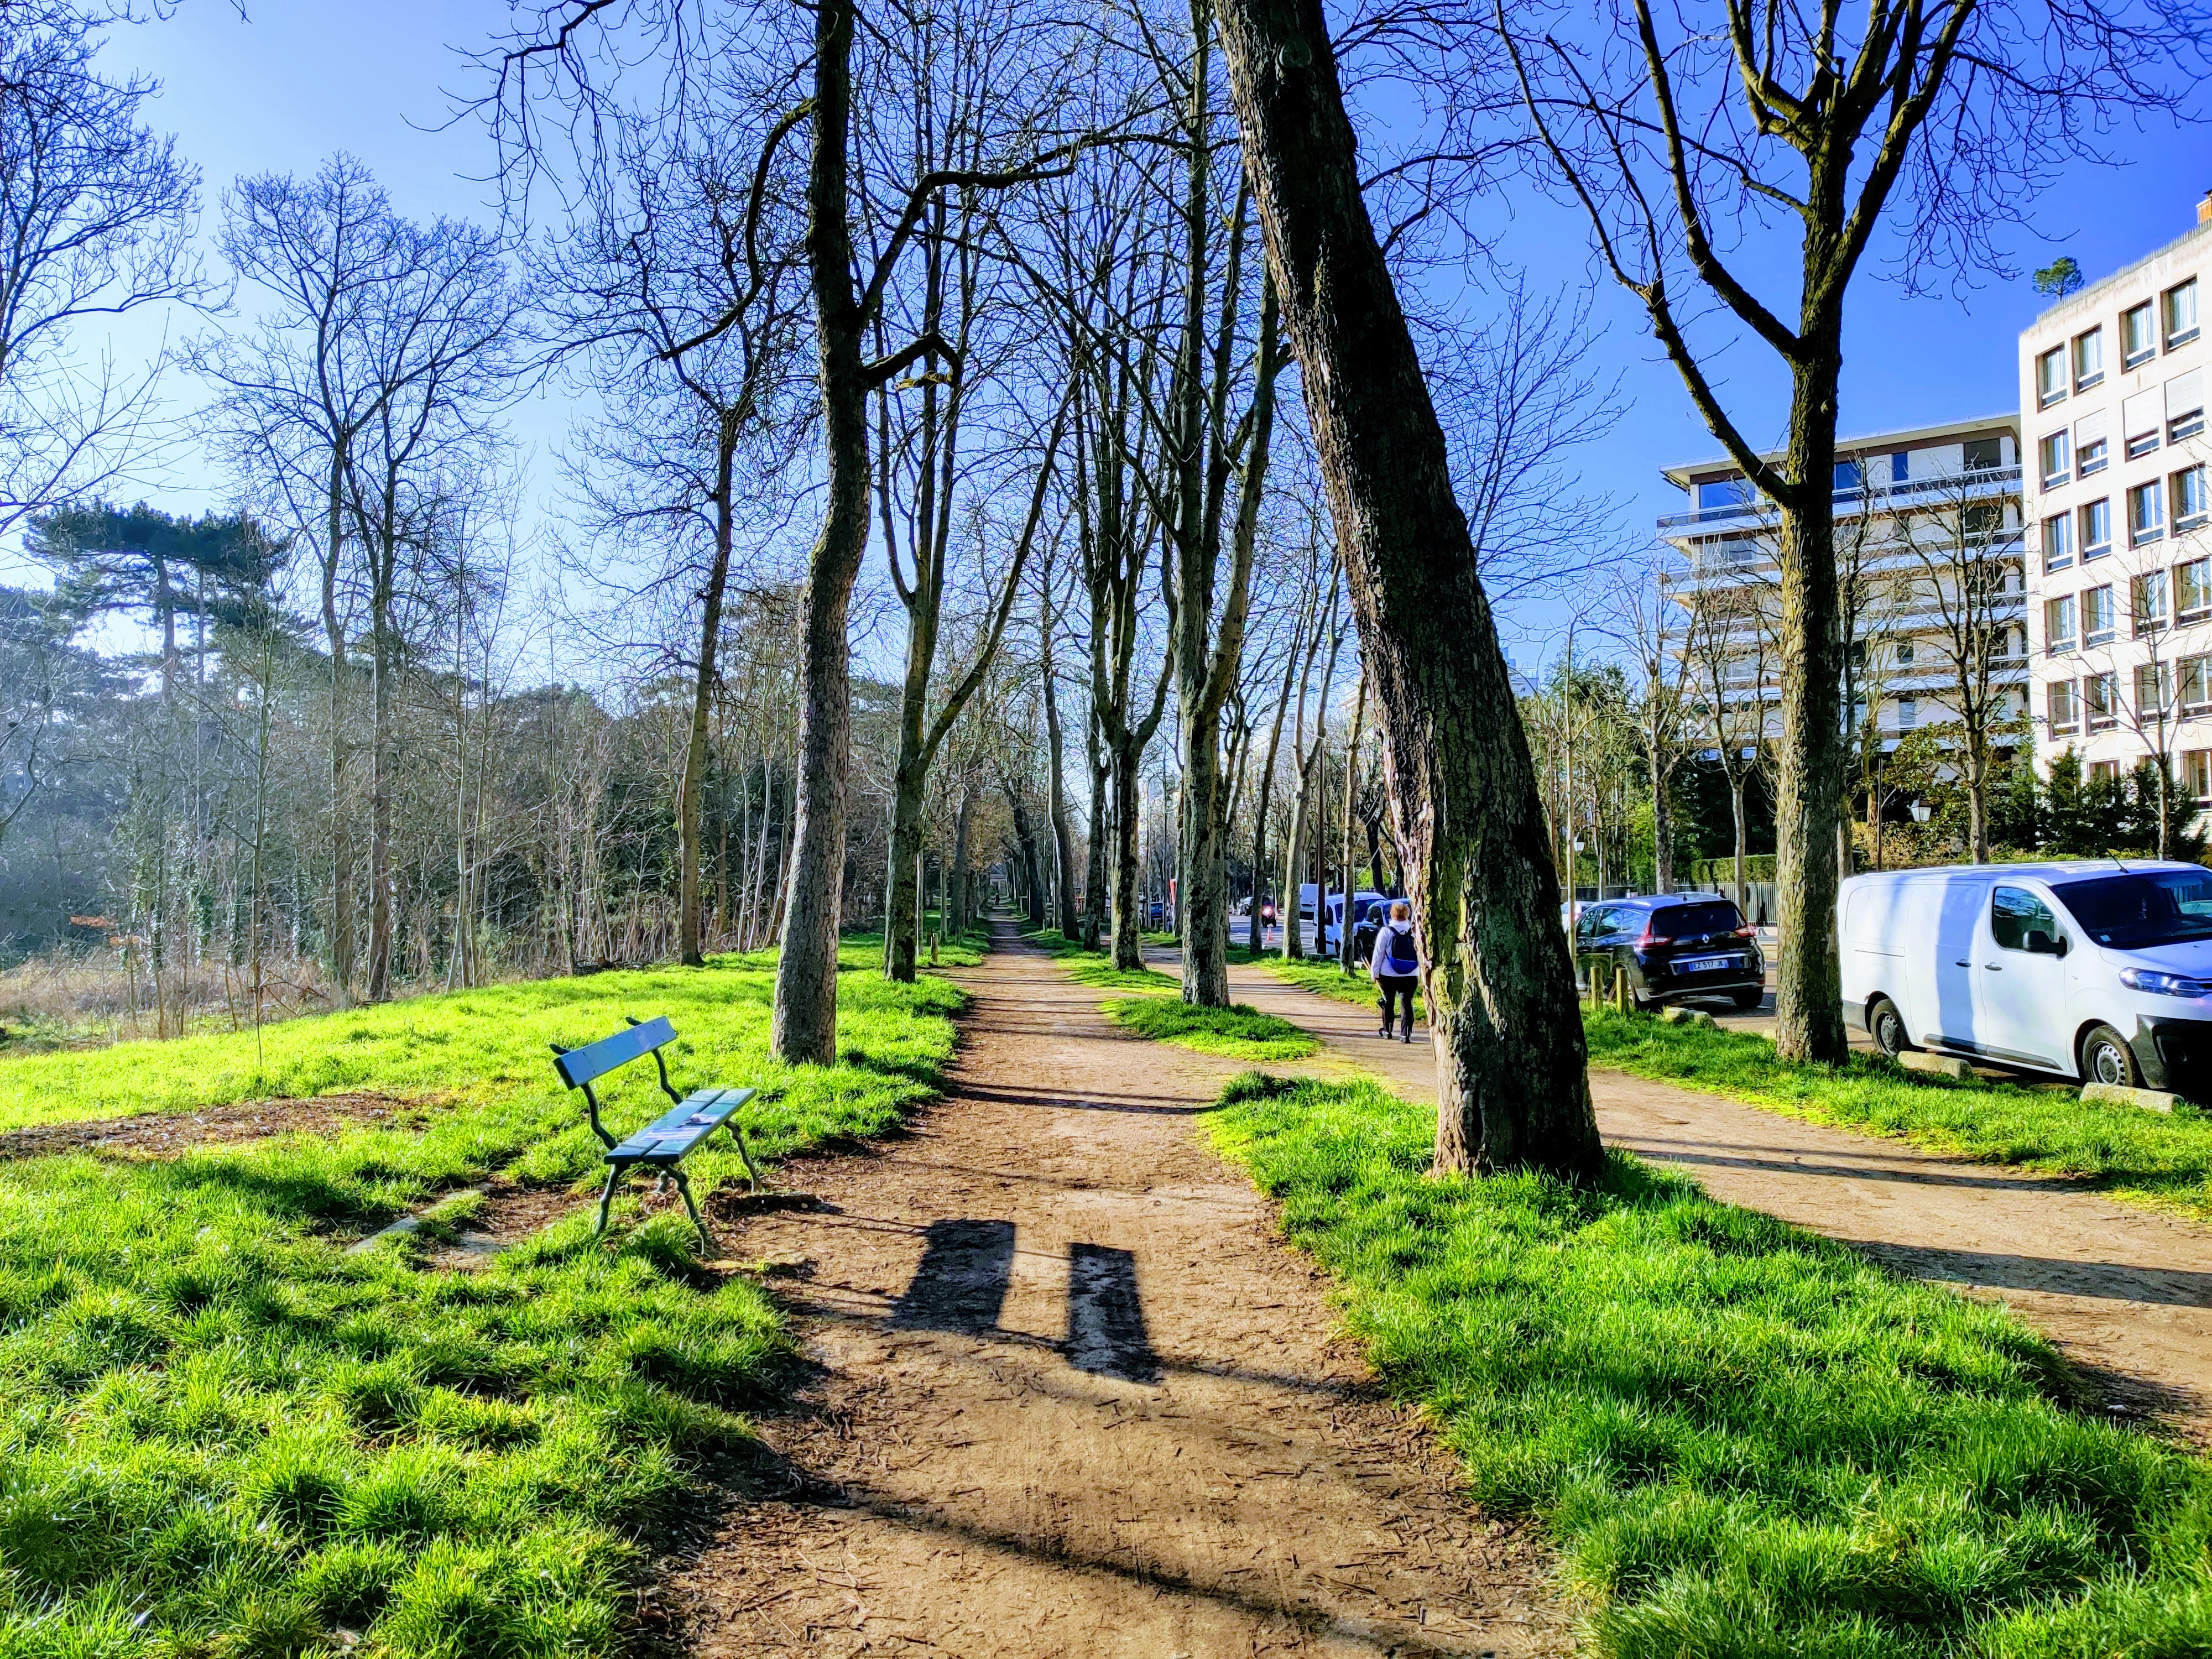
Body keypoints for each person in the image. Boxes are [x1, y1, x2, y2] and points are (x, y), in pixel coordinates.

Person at [1369, 899, 1420, 1042]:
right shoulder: (1414, 932)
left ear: (1392, 914)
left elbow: (1378, 954)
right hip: (1411, 974)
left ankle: (1387, 1030)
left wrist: (1375, 973)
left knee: (1388, 1002)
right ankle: (1406, 1034)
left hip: (1388, 974)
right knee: (1407, 1003)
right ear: (1408, 915)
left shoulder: (1386, 931)